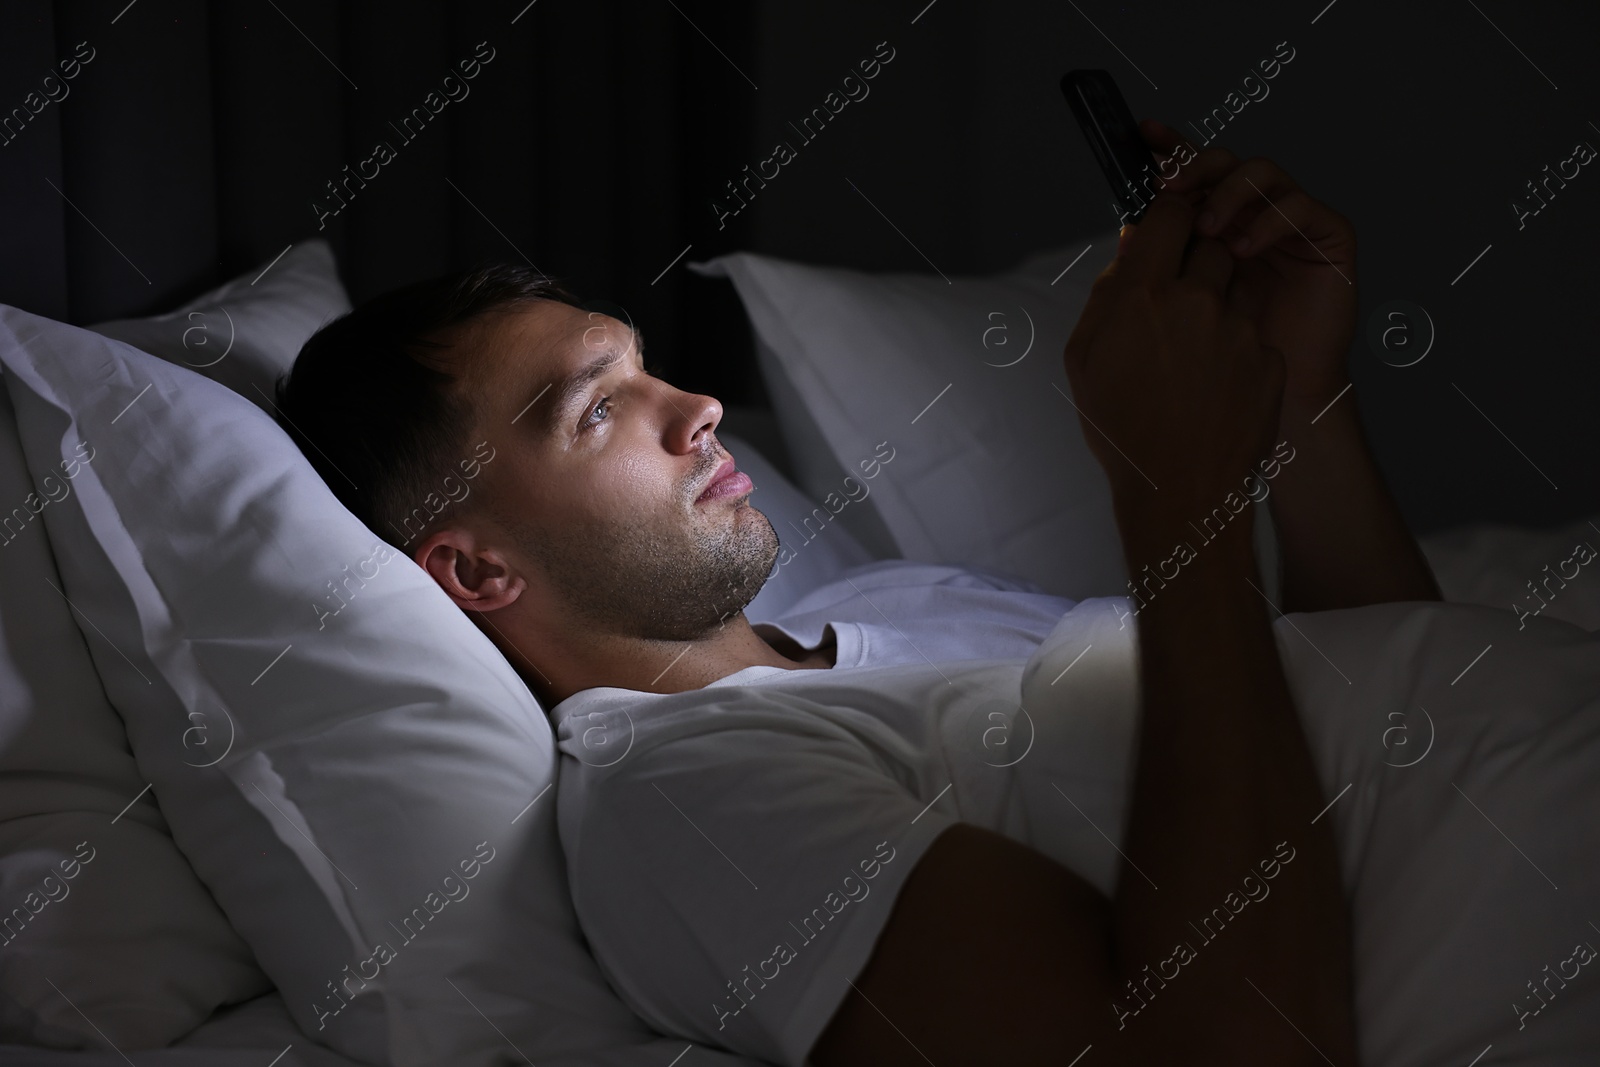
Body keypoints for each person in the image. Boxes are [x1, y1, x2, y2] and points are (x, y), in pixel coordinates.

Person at [275, 120, 1441, 1066]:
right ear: (476, 569)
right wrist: (1182, 499)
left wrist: (1299, 397)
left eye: (644, 367)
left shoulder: (905, 596)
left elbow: (1369, 686)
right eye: (595, 410)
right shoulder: (683, 795)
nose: (696, 409)